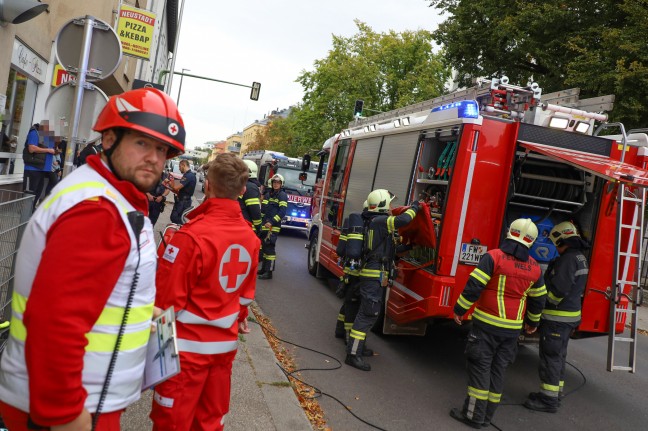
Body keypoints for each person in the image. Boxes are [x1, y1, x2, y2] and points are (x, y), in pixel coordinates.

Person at [0, 87, 185, 431]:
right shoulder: (98, 210)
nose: (155, 159)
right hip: (70, 406)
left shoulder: (107, 194)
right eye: (143, 144)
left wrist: (142, 312)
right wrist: (66, 414)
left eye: (163, 150)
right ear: (110, 138)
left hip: (80, 397)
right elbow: (55, 321)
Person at [150, 153, 260, 430]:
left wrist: (155, 361)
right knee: (210, 423)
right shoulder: (250, 237)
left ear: (207, 186)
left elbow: (165, 307)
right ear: (243, 191)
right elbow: (245, 298)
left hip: (182, 358)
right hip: (223, 355)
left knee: (172, 424)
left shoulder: (190, 238)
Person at [449, 218, 547, 429]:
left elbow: (474, 286)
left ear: (509, 232)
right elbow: (539, 299)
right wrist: (532, 323)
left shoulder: (493, 257)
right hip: (511, 331)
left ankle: (473, 415)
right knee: (498, 371)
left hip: (486, 327)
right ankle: (486, 417)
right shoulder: (535, 268)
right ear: (532, 241)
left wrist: (459, 310)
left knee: (480, 368)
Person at [346, 189, 420, 371]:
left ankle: (359, 348)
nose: (391, 207)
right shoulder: (380, 221)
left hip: (375, 275)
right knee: (367, 314)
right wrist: (416, 207)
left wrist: (407, 246)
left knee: (369, 313)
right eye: (389, 203)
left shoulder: (374, 223)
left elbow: (387, 250)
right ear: (382, 204)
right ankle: (353, 354)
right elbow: (403, 220)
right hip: (373, 275)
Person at [524, 221, 589, 413]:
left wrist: (540, 301)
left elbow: (557, 291)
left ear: (562, 240)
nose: (555, 248)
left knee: (551, 358)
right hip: (568, 318)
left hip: (557, 319)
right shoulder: (579, 257)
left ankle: (548, 400)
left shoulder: (568, 259)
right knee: (558, 357)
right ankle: (554, 394)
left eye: (556, 244)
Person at [257, 173, 288, 279]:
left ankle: (269, 272)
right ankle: (264, 269)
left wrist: (271, 222)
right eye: (274, 182)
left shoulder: (282, 195)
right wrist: (261, 222)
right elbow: (263, 209)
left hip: (273, 226)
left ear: (281, 184)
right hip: (265, 224)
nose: (276, 184)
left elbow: (282, 211)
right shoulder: (268, 194)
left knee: (270, 248)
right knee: (265, 247)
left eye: (278, 182)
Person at [22, 122, 56, 208]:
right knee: (29, 194)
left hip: (42, 168)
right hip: (33, 168)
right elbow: (31, 149)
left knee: (37, 193)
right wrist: (48, 150)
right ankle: (25, 215)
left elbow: (47, 149)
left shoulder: (46, 135)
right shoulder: (35, 132)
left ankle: (30, 212)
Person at [165, 159, 196, 224]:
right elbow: (179, 189)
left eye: (179, 166)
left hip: (183, 202)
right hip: (182, 200)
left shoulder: (188, 176)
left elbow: (176, 187)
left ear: (183, 165)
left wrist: (169, 182)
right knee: (176, 218)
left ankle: (184, 228)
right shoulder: (187, 175)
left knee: (175, 218)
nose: (179, 169)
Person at [239, 159, 262, 235]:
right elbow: (254, 209)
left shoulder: (239, 184)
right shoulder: (251, 187)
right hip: (247, 227)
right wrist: (259, 227)